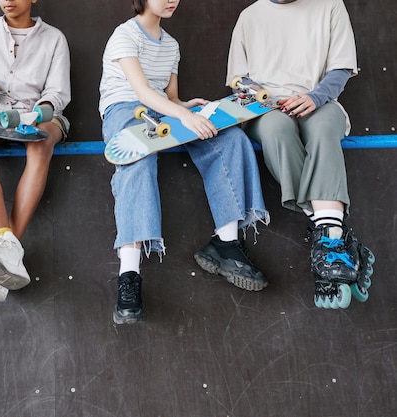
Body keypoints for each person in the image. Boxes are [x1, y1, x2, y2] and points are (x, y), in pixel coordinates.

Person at [99, 0, 270, 324]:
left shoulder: (171, 45)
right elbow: (143, 92)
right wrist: (181, 114)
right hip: (125, 109)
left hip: (163, 110)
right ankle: (129, 275)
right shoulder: (124, 35)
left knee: (231, 137)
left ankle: (226, 243)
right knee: (140, 158)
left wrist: (185, 106)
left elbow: (168, 96)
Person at [227, 0, 374, 309]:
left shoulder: (331, 6)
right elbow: (238, 80)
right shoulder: (249, 16)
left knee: (322, 132)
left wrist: (315, 97)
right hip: (267, 110)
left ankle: (329, 235)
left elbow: (342, 68)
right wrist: (264, 99)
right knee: (276, 131)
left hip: (319, 100)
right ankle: (333, 233)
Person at [0, 0, 70, 302]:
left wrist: (38, 115)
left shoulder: (54, 38)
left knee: (42, 141)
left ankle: (6, 252)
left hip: (39, 115)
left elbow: (58, 93)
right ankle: (5, 245)